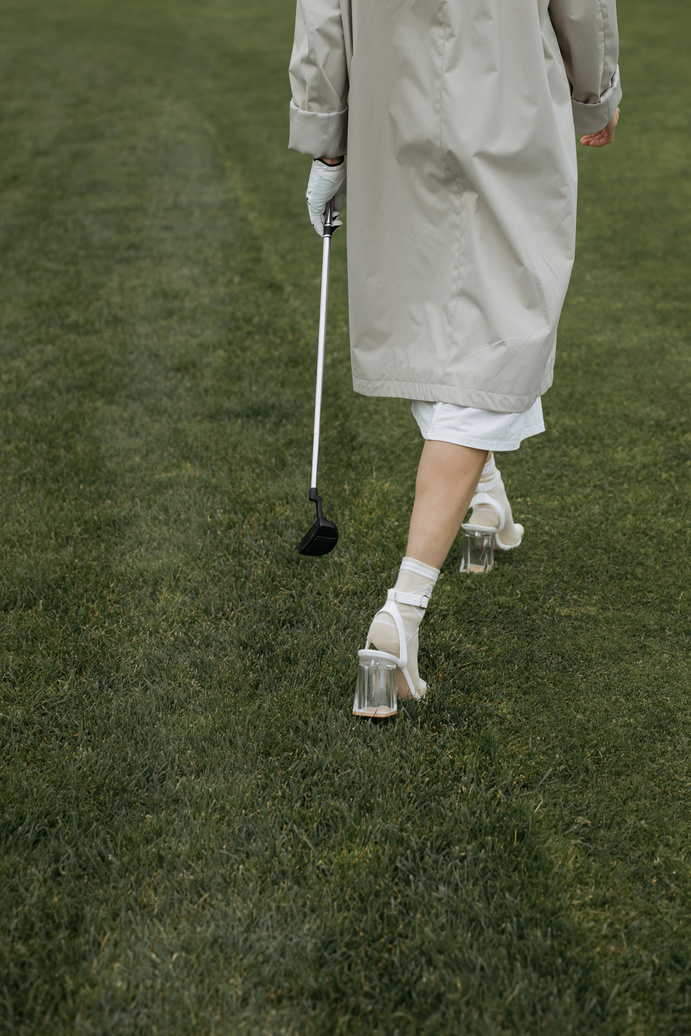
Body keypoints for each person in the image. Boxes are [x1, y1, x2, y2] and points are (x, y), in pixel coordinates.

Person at [289, 0, 621, 706]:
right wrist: (592, 93)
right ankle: (399, 617)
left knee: (427, 313)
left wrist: (326, 137)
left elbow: (322, 12)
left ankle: (486, 502)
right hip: (511, 109)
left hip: (393, 107)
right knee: (495, 328)